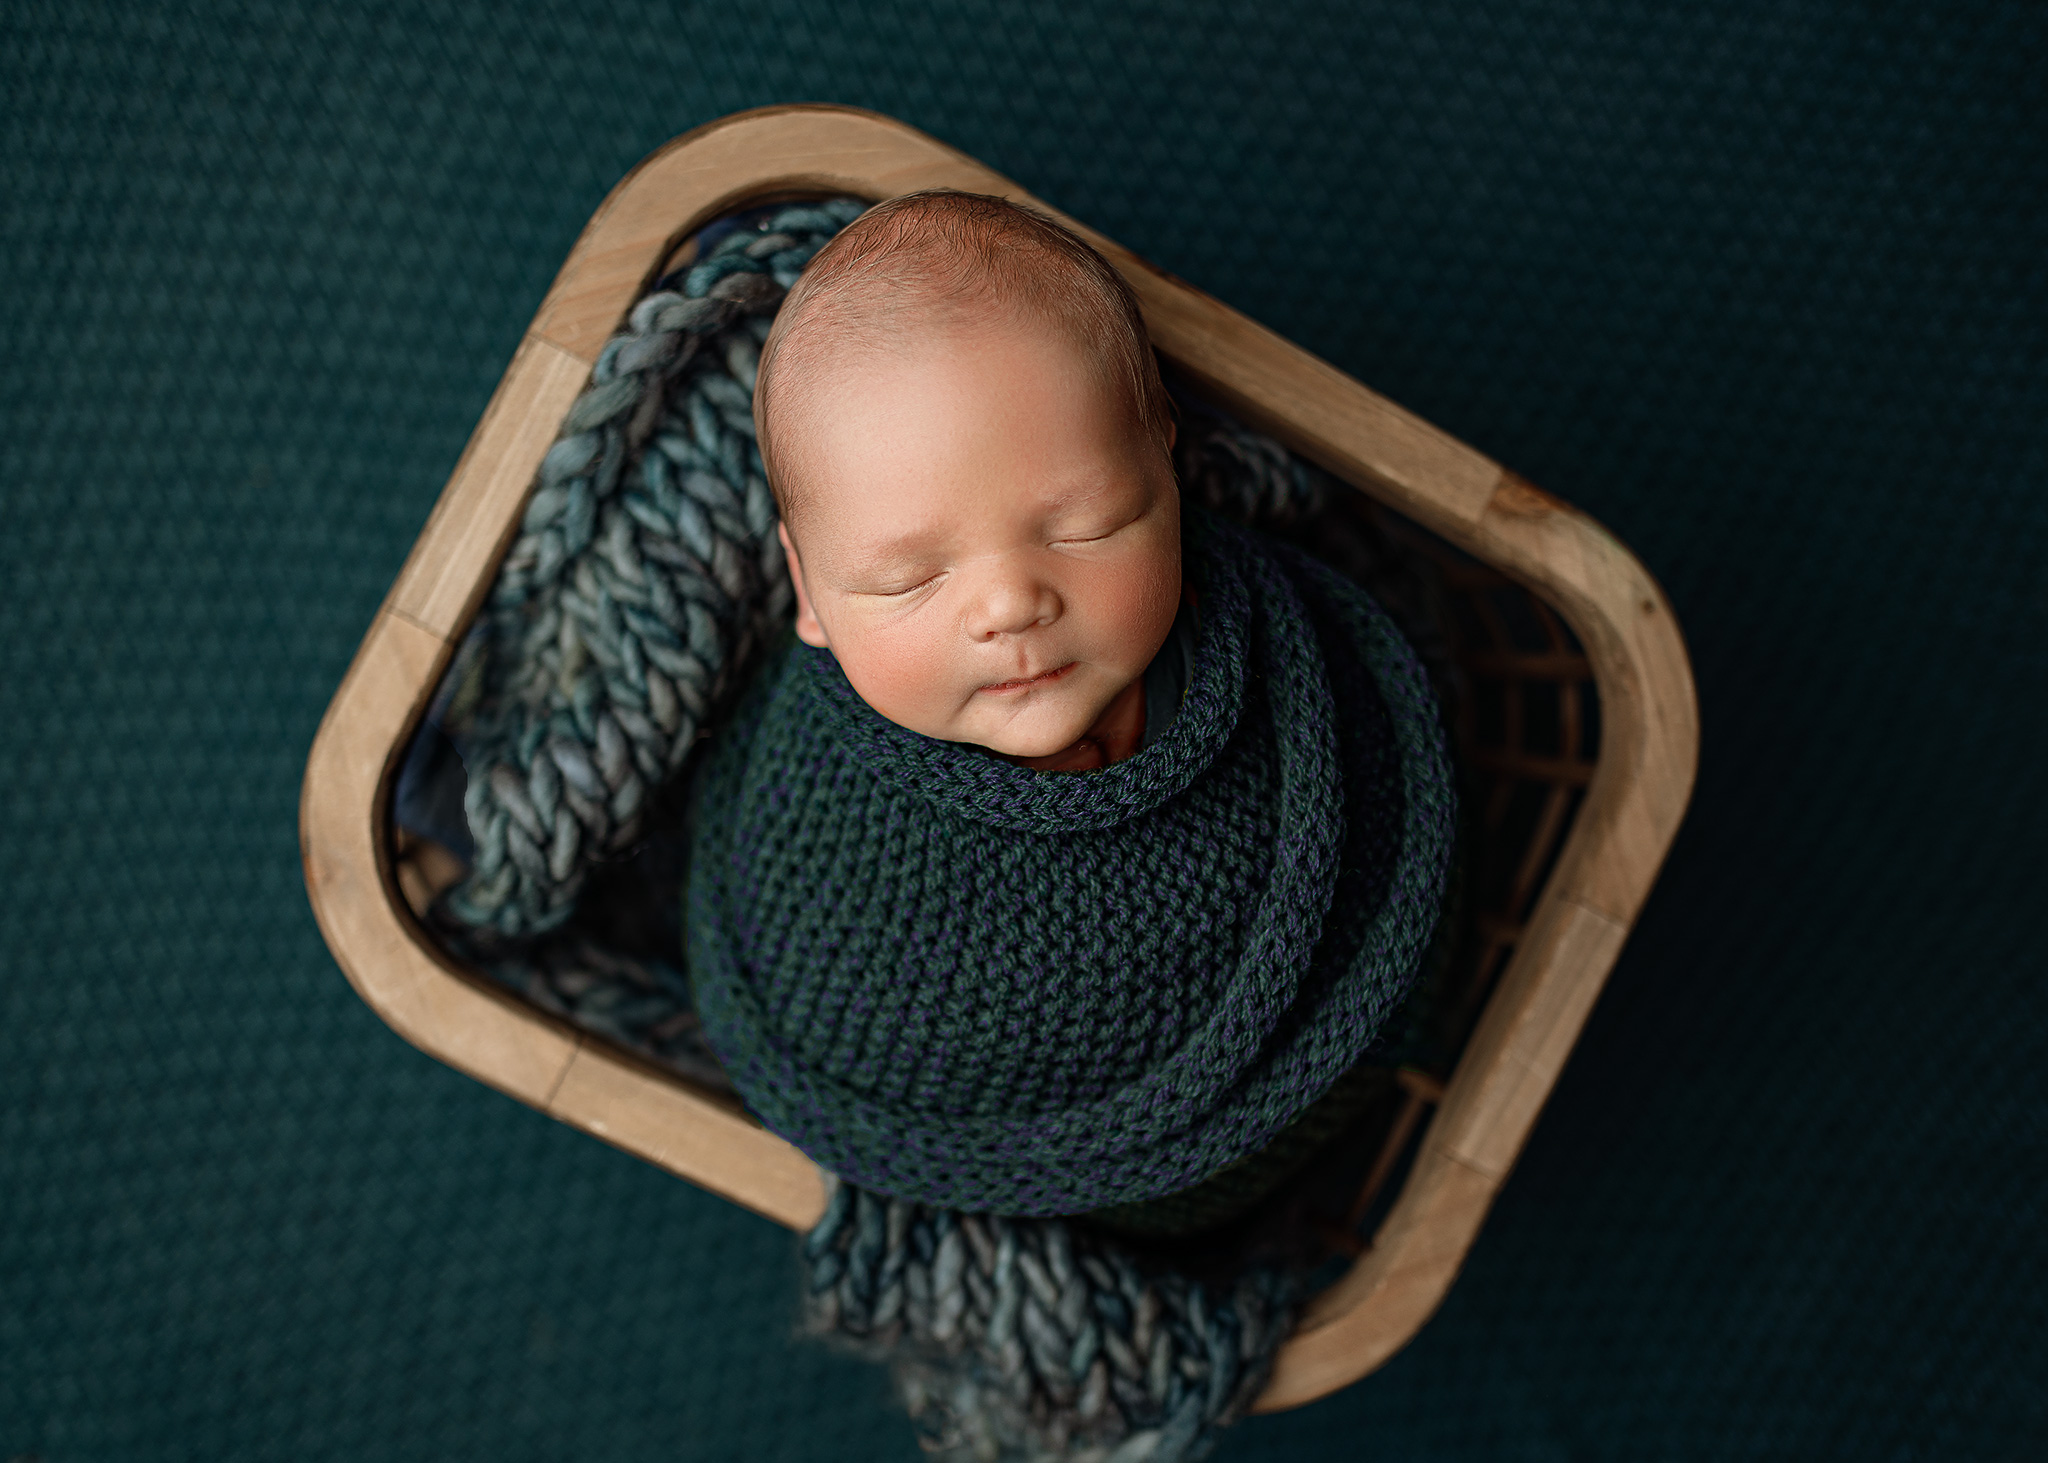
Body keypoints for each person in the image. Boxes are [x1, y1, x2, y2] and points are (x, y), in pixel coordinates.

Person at [684, 190, 1456, 1228]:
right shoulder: (815, 819)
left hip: (1277, 1120)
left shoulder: (1275, 666)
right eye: (908, 578)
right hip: (1032, 1172)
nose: (1008, 604)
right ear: (810, 594)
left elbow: (1382, 835)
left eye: (1089, 524)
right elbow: (810, 972)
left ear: (1167, 468)